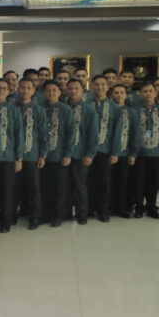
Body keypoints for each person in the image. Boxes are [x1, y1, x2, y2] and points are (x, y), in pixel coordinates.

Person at [131, 83, 159, 219]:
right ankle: (139, 207)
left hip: (156, 152)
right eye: (145, 91)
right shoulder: (135, 110)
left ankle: (152, 207)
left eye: (150, 91)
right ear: (141, 94)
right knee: (138, 181)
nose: (148, 94)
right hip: (139, 153)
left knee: (154, 182)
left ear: (155, 93)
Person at [0, 78, 24, 233]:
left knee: (7, 191)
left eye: (4, 88)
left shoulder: (13, 110)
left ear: (9, 91)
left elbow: (19, 134)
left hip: (8, 157)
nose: (0, 91)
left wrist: (19, 158)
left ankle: (6, 221)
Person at [40, 80, 73, 227]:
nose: (51, 93)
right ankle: (47, 214)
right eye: (48, 90)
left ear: (60, 92)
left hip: (60, 155)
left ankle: (59, 215)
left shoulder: (66, 109)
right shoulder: (41, 108)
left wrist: (67, 154)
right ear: (43, 93)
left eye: (54, 90)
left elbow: (71, 133)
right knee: (46, 186)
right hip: (44, 156)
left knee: (60, 187)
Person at [17, 78, 48, 229]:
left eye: (29, 88)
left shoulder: (39, 110)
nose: (25, 91)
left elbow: (43, 134)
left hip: (32, 154)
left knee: (33, 187)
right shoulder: (12, 108)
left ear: (33, 91)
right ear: (18, 89)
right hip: (14, 156)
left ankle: (35, 217)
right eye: (22, 88)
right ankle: (18, 213)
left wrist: (42, 154)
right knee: (16, 187)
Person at [65, 79, 97, 224]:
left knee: (80, 185)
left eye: (76, 88)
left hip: (81, 153)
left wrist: (90, 154)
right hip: (63, 153)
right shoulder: (62, 107)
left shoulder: (89, 109)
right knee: (64, 185)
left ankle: (82, 214)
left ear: (82, 90)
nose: (73, 91)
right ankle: (64, 213)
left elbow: (93, 133)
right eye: (70, 88)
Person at [108, 84, 137, 218]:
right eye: (116, 93)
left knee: (123, 181)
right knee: (109, 181)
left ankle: (122, 207)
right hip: (108, 153)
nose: (119, 95)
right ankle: (109, 207)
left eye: (121, 93)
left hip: (125, 152)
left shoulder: (131, 112)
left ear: (126, 95)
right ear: (111, 95)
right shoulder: (108, 110)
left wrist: (133, 153)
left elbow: (135, 134)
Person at [88, 75, 114, 222]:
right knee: (89, 181)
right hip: (87, 151)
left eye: (103, 85)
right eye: (96, 85)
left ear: (108, 86)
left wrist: (114, 151)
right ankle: (90, 208)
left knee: (104, 182)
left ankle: (103, 210)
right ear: (92, 87)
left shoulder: (113, 107)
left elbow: (116, 131)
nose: (100, 87)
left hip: (105, 149)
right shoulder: (86, 105)